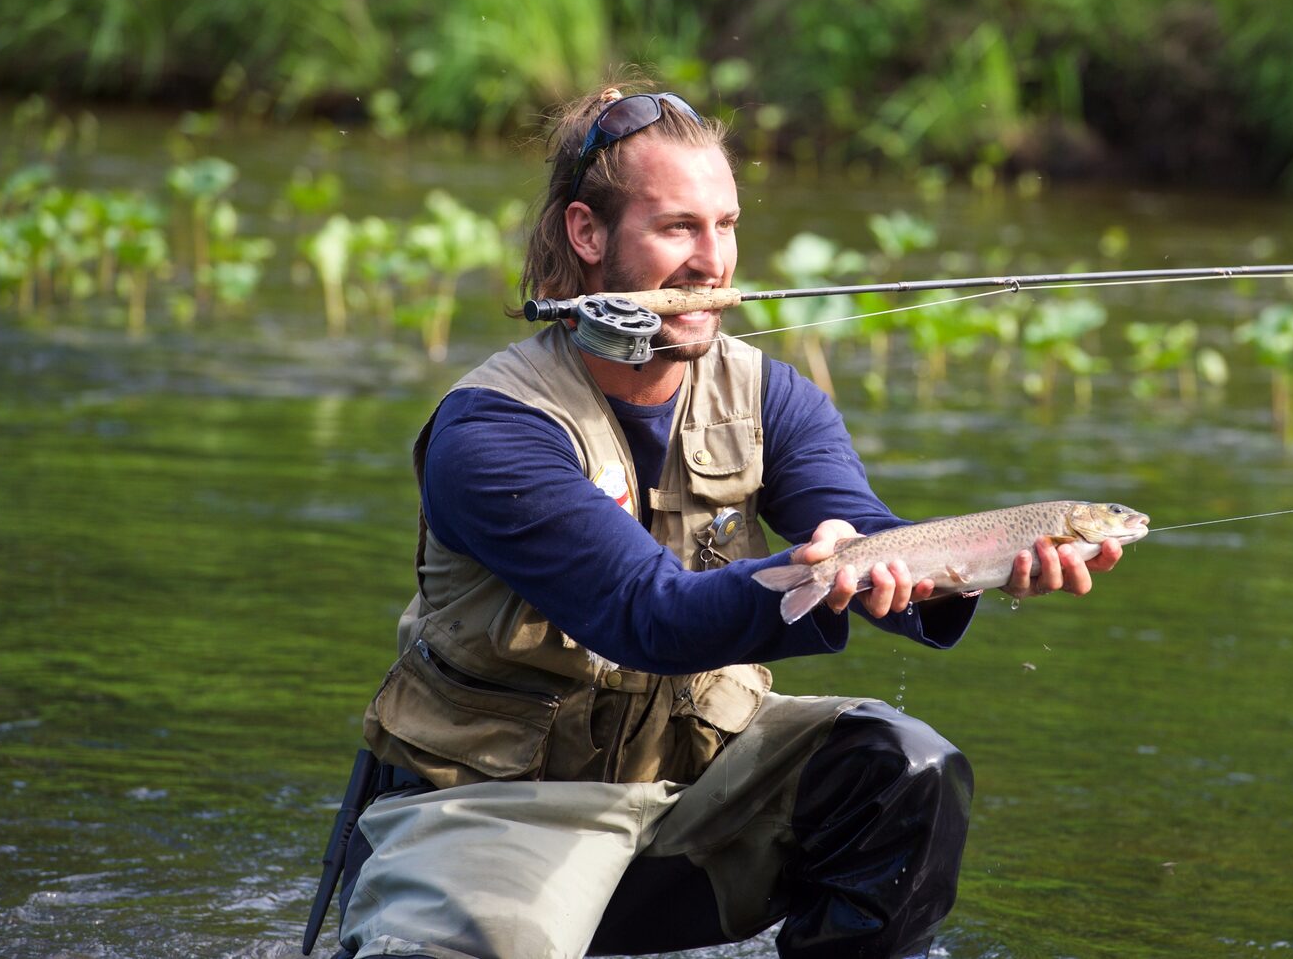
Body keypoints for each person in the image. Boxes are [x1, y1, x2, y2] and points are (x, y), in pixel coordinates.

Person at [318, 85, 1123, 959]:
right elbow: (647, 616)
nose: (713, 262)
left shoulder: (776, 399)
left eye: (727, 225)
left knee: (906, 771)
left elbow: (866, 530)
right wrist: (824, 580)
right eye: (678, 229)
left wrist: (981, 564)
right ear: (587, 234)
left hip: (697, 791)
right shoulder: (492, 431)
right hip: (499, 807)